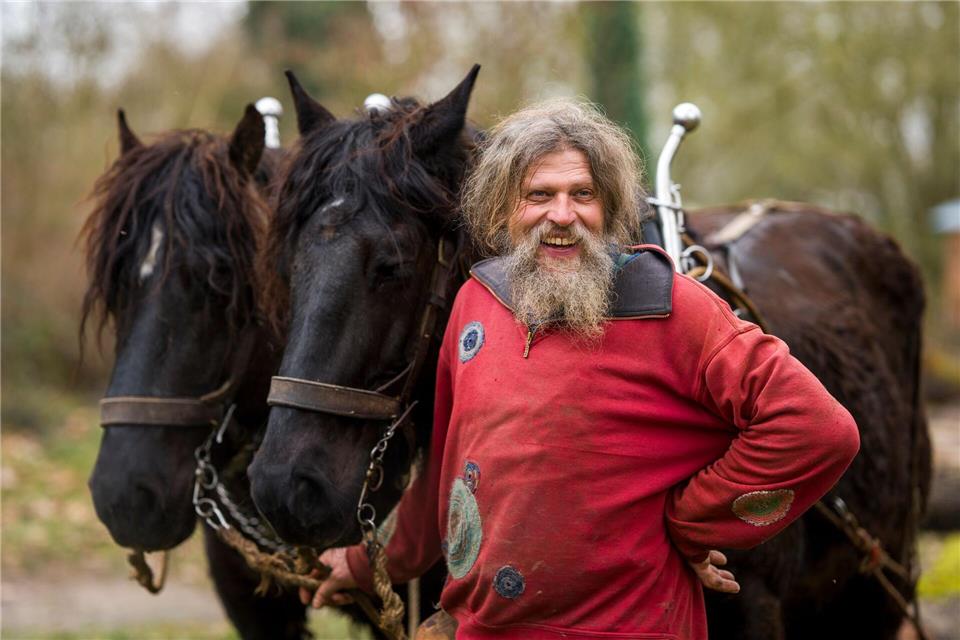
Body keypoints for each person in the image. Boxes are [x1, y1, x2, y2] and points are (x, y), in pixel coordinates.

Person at [301, 99, 860, 639]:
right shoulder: (476, 302)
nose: (562, 216)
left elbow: (816, 428)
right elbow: (449, 470)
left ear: (610, 207)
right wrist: (365, 562)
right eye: (539, 195)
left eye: (582, 195)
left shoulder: (676, 308)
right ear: (504, 209)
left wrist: (691, 523)